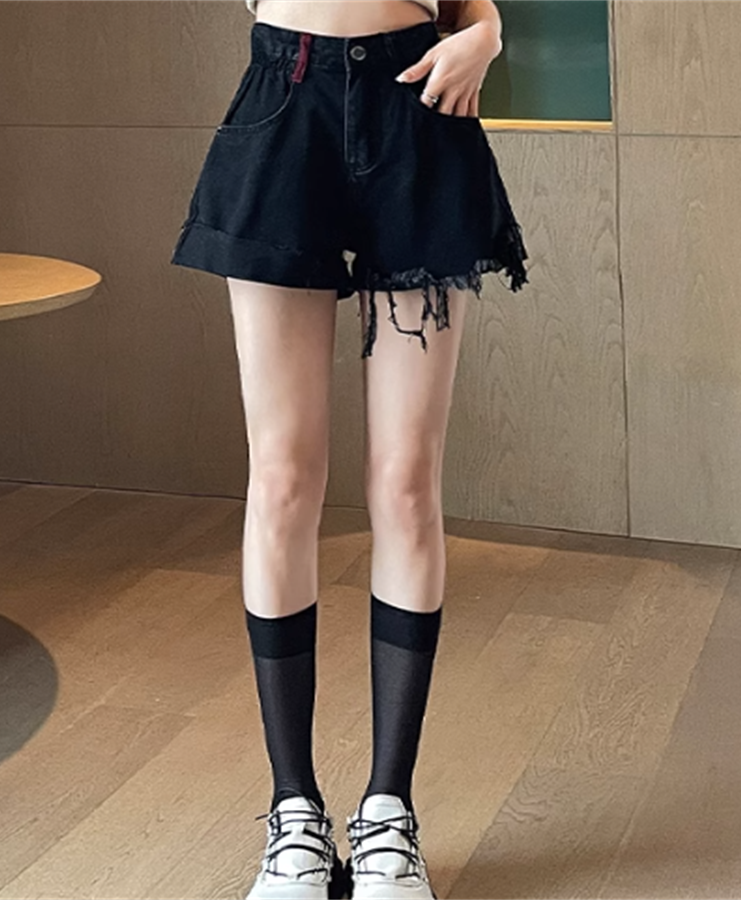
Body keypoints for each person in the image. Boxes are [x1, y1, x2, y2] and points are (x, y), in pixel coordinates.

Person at [169, 1, 529, 897]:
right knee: (283, 479)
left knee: (406, 482)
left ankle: (388, 815)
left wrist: (487, 36)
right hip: (283, 106)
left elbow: (469, 6)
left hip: (420, 109)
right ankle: (293, 814)